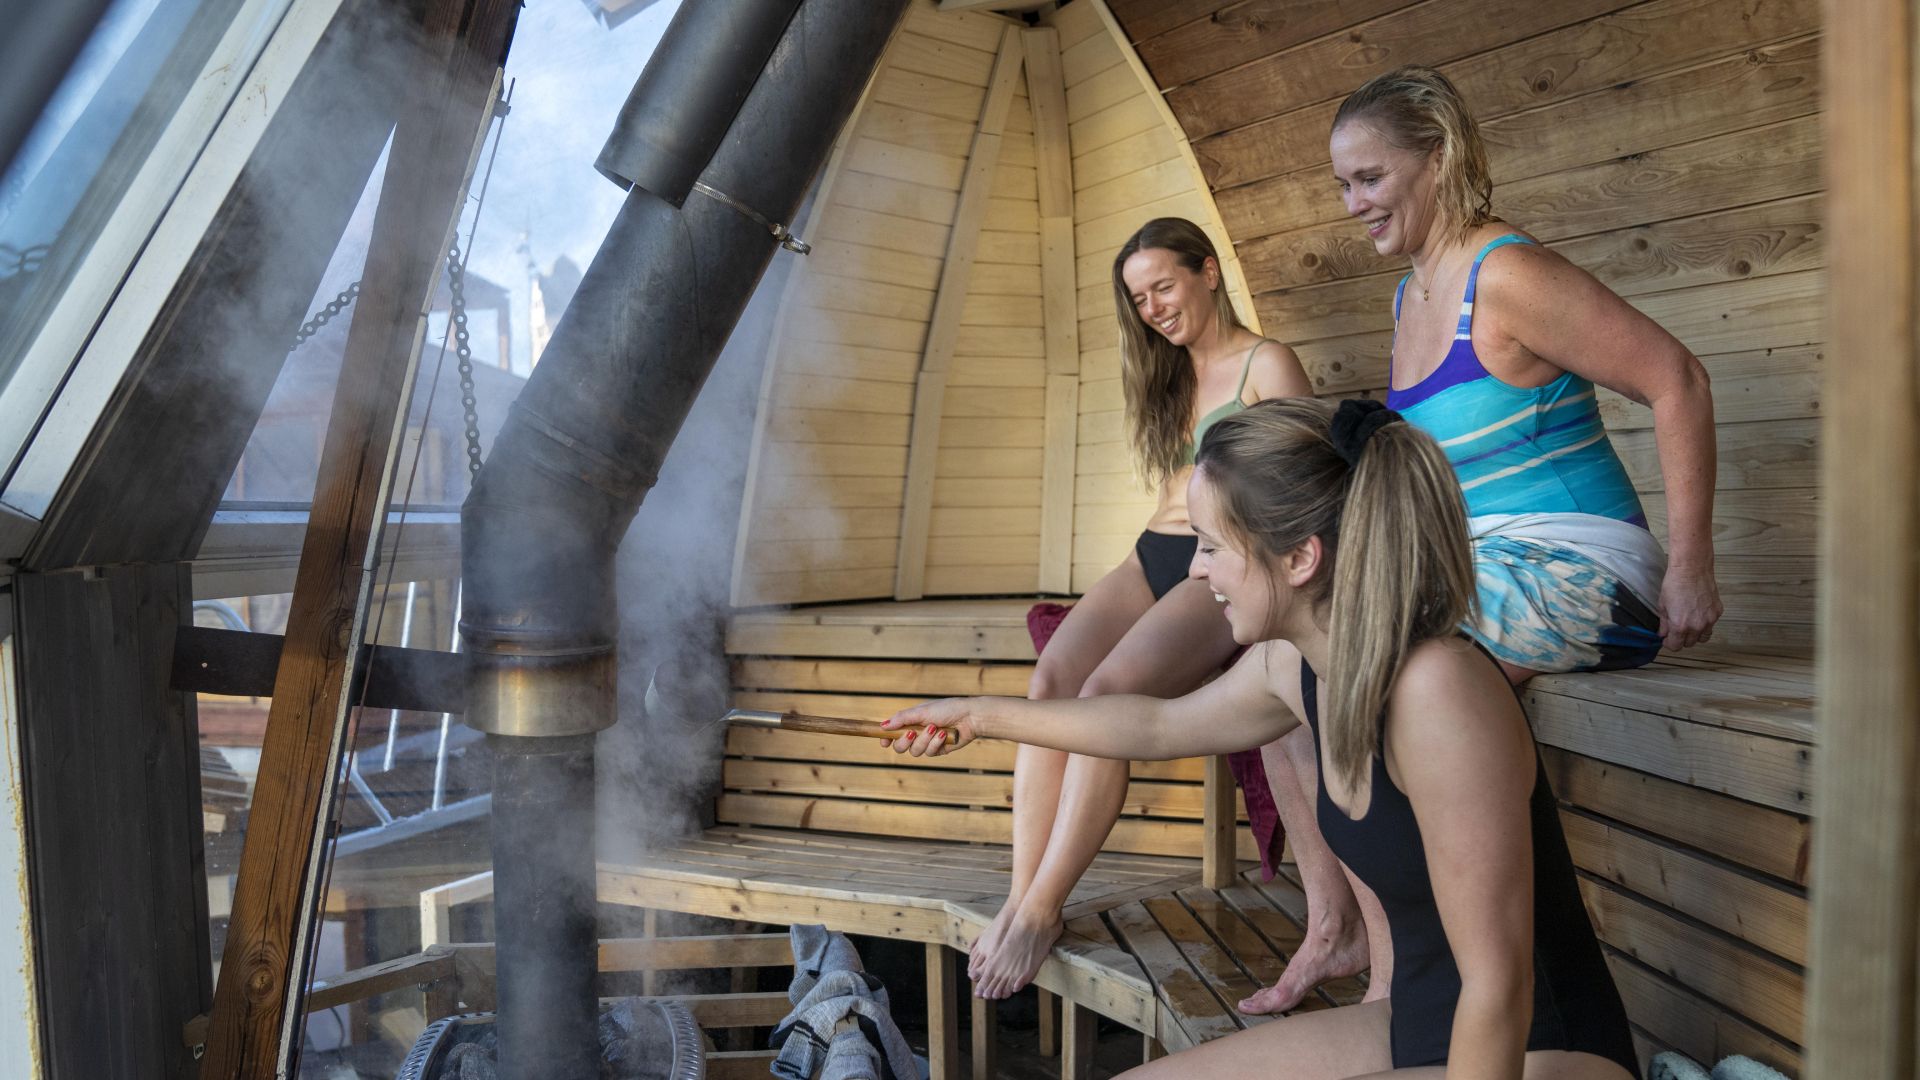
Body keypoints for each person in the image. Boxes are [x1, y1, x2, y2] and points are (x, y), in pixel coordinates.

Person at [883, 398, 1641, 1079]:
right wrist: (978, 715)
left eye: (1211, 546)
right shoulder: (1297, 664)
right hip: (1418, 1025)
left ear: (1300, 557)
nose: (1199, 573)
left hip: (1533, 1050)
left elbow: (1499, 985)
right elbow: (1151, 723)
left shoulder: (1437, 692)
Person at [1226, 64, 1728, 1016]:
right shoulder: (1413, 295)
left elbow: (1678, 380)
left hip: (1586, 569)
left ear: (1439, 157)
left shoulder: (1510, 276)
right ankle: (1359, 945)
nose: (1352, 204)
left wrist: (1693, 567)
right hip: (1481, 571)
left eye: (1369, 178)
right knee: (1308, 658)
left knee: (1374, 681)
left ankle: (1447, 982)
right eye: (1342, 184)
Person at [963, 217, 1311, 1001]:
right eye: (1138, 297)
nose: (1153, 307)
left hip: (1216, 565)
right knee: (1052, 679)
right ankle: (1022, 894)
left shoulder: (1268, 362)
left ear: (1208, 272)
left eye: (1163, 285)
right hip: (1150, 553)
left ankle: (1043, 909)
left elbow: (1305, 483)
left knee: (1103, 697)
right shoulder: (1171, 372)